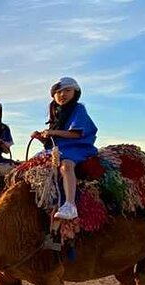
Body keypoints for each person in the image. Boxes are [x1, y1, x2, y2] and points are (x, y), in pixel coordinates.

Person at [31, 77, 98, 219]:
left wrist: (53, 132)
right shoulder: (56, 112)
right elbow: (53, 140)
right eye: (58, 92)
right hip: (58, 148)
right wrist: (41, 137)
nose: (62, 94)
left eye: (67, 90)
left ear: (75, 92)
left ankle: (70, 205)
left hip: (77, 147)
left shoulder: (78, 109)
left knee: (66, 166)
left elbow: (76, 133)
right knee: (31, 166)